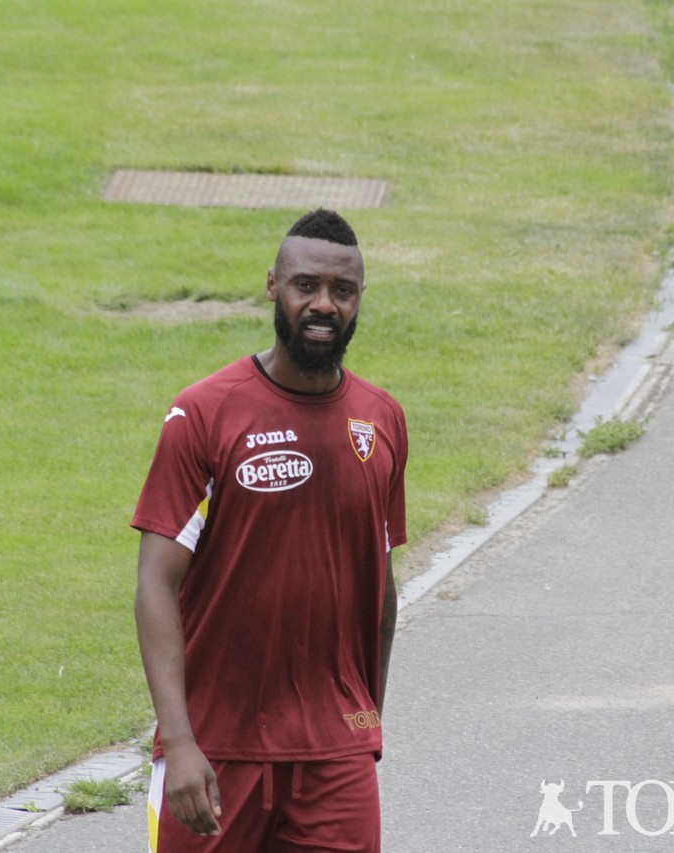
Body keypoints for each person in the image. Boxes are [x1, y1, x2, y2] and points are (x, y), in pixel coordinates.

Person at [132, 208, 407, 852]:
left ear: (360, 298)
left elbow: (381, 587)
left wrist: (365, 720)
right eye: (306, 285)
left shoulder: (381, 420)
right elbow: (155, 585)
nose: (324, 305)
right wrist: (180, 742)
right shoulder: (204, 414)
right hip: (215, 749)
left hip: (336, 752)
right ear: (272, 286)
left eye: (342, 290)